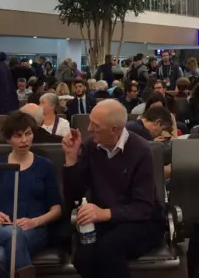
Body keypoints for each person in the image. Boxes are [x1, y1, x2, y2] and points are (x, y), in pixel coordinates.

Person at [62, 100, 164, 277]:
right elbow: (73, 195)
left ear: (115, 129)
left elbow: (143, 207)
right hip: (106, 220)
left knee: (110, 249)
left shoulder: (141, 150)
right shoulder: (91, 146)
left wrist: (104, 213)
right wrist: (71, 159)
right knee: (84, 255)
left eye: (95, 125)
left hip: (142, 222)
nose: (89, 129)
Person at [0, 112, 61, 277]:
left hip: (34, 229)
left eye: (28, 134)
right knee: (11, 234)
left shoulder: (45, 166)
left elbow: (56, 209)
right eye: (18, 136)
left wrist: (35, 221)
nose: (24, 140)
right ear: (8, 139)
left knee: (1, 254)